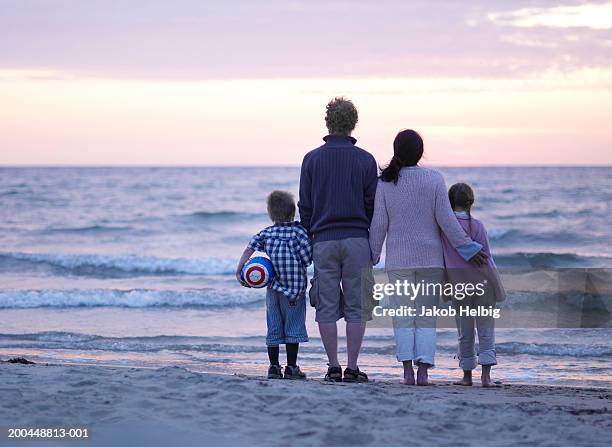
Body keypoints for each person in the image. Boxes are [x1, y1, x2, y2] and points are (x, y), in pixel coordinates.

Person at [369, 129, 488, 386]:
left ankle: (408, 373)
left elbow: (379, 223)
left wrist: (373, 254)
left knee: (402, 316)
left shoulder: (385, 182)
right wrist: (469, 248)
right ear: (421, 152)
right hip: (430, 260)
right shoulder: (434, 179)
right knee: (425, 317)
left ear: (396, 151)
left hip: (399, 260)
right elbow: (446, 221)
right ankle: (424, 372)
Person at [298, 97, 377, 383]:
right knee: (357, 305)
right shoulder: (366, 160)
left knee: (326, 306)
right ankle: (353, 367)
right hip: (357, 239)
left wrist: (307, 238)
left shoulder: (312, 159)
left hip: (323, 240)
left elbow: (304, 206)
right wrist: (374, 243)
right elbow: (373, 206)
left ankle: (333, 367)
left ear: (328, 122)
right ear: (353, 123)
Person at [236, 190, 312, 380]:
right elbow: (307, 258)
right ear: (293, 212)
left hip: (273, 289)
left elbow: (250, 248)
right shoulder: (299, 232)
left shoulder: (267, 233)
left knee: (274, 325)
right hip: (294, 290)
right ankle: (292, 367)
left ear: (270, 213)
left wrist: (240, 270)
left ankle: (273, 367)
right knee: (293, 326)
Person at [441, 182, 506, 387]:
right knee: (486, 329)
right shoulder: (477, 226)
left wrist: (445, 286)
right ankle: (486, 378)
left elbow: (443, 260)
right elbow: (487, 259)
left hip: (459, 287)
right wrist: (497, 285)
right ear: (471, 203)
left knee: (465, 331)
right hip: (483, 285)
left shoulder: (445, 230)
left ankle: (467, 377)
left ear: (449, 202)